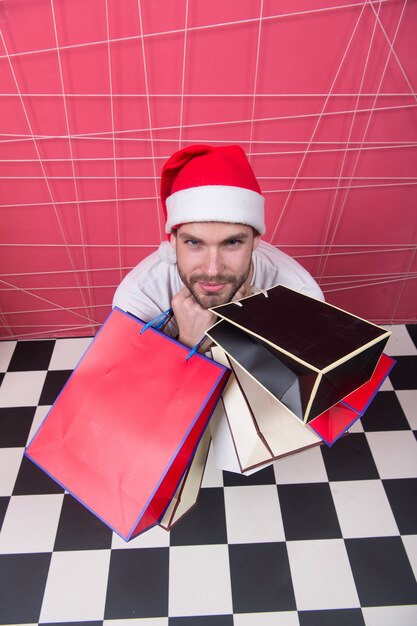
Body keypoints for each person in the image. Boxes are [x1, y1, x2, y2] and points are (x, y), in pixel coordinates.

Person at [113, 144, 323, 348]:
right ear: (173, 240)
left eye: (232, 243)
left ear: (256, 239)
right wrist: (189, 344)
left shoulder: (301, 297)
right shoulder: (138, 299)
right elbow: (133, 382)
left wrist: (258, 334)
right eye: (194, 243)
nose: (212, 269)